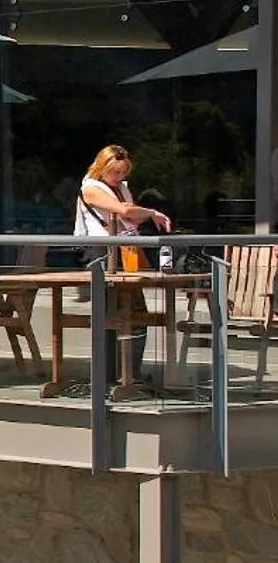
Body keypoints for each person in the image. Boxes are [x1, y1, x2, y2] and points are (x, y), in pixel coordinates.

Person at [76, 144, 171, 394]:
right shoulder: (91, 187)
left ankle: (128, 373)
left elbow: (130, 216)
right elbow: (123, 211)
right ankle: (113, 375)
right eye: (114, 172)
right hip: (102, 253)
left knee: (133, 311)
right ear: (102, 167)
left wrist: (143, 214)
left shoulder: (122, 188)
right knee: (112, 312)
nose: (118, 177)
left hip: (124, 249)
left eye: (123, 172)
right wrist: (151, 213)